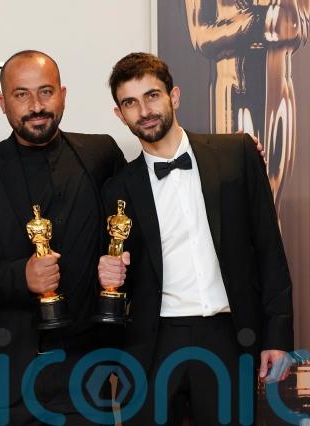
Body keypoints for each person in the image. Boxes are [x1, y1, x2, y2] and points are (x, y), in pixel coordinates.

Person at [98, 52, 294, 425]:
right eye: (130, 103)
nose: (144, 111)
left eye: (152, 95)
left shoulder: (237, 154)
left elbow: (269, 250)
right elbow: (121, 274)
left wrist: (278, 336)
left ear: (174, 96)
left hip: (228, 335)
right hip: (152, 344)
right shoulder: (116, 189)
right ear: (120, 114)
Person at [0, 50, 126, 425]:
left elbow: (143, 209)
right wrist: (22, 277)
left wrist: (236, 153)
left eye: (46, 92)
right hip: (3, 381)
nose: (36, 106)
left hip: (84, 378)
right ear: (2, 103)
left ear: (62, 95)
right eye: (21, 94)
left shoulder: (102, 155)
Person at [184, 0, 310, 212]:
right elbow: (200, 37)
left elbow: (301, 28)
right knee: (237, 196)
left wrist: (280, 22)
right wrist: (256, 21)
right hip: (232, 91)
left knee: (274, 198)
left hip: (279, 88)